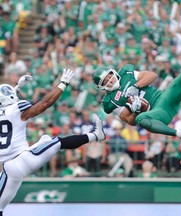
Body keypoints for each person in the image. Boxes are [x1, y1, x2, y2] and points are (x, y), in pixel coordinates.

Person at [0, 69, 106, 216]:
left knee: (46, 139)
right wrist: (62, 84)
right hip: (22, 160)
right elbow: (45, 103)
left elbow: (6, 107)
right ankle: (95, 135)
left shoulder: (6, 111)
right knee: (57, 142)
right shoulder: (16, 109)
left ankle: (95, 135)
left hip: (8, 168)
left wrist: (16, 88)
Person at [92, 50, 181, 142]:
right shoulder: (110, 102)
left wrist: (135, 86)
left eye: (109, 76)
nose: (110, 80)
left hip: (165, 98)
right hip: (158, 112)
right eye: (105, 81)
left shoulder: (126, 73)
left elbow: (152, 75)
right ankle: (180, 133)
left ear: (113, 72)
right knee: (141, 118)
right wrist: (134, 108)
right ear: (102, 86)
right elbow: (130, 120)